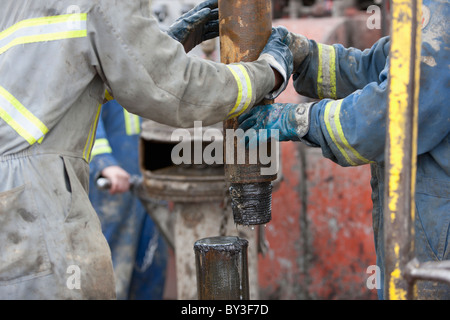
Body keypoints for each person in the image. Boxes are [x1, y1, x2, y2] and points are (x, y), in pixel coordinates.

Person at [0, 0, 292, 299]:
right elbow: (176, 90)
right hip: (36, 199)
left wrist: (158, 45)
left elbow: (62, 78)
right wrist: (268, 73)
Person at [238, 0, 449, 299]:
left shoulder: (440, 10)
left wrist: (299, 120)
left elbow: (390, 112)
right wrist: (305, 56)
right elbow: (377, 70)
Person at [88, 97, 168, 300]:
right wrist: (104, 163)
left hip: (153, 182)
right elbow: (83, 117)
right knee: (112, 272)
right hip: (113, 187)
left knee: (151, 268)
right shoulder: (101, 66)